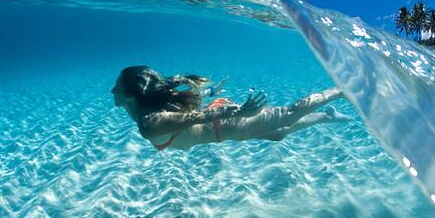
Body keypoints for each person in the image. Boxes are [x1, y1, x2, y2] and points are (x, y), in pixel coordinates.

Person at [111, 66, 350, 151]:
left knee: (288, 114)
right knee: (277, 134)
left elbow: (198, 116)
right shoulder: (154, 106)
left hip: (227, 124)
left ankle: (341, 90)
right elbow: (183, 107)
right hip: (225, 125)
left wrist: (238, 112)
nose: (112, 91)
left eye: (117, 87)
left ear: (131, 95)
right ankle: (325, 116)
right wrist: (210, 93)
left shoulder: (149, 124)